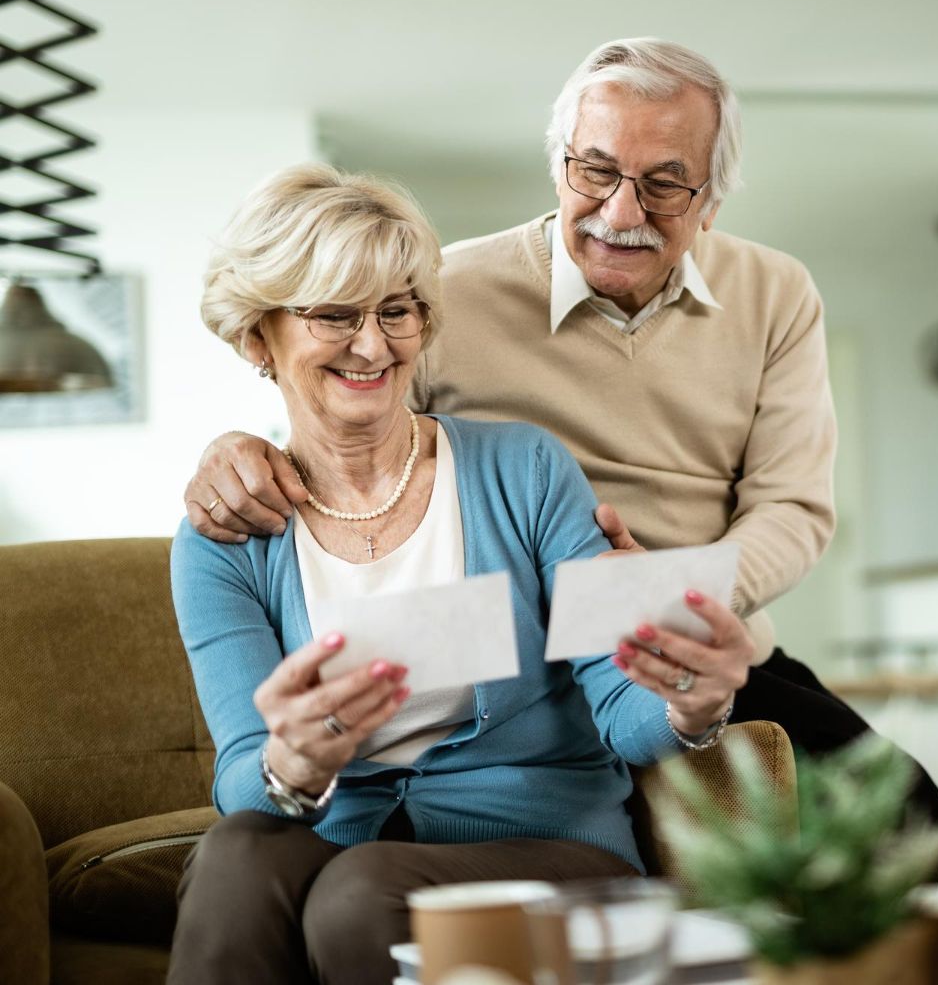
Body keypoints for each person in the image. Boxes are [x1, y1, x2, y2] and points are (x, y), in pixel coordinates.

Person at [182, 37, 938, 834]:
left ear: (711, 200)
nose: (622, 213)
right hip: (515, 665)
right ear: (558, 165)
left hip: (683, 638)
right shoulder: (447, 289)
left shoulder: (776, 293)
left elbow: (792, 510)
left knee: (905, 819)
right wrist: (238, 450)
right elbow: (352, 421)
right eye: (596, 170)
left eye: (664, 184)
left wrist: (659, 598)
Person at [168, 164, 757, 985]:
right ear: (258, 340)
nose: (373, 345)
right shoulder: (224, 540)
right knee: (237, 854)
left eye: (396, 311)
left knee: (359, 892)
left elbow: (625, 708)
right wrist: (291, 764)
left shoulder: (527, 470)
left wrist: (692, 701)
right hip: (340, 836)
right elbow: (245, 778)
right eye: (335, 315)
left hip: (552, 847)